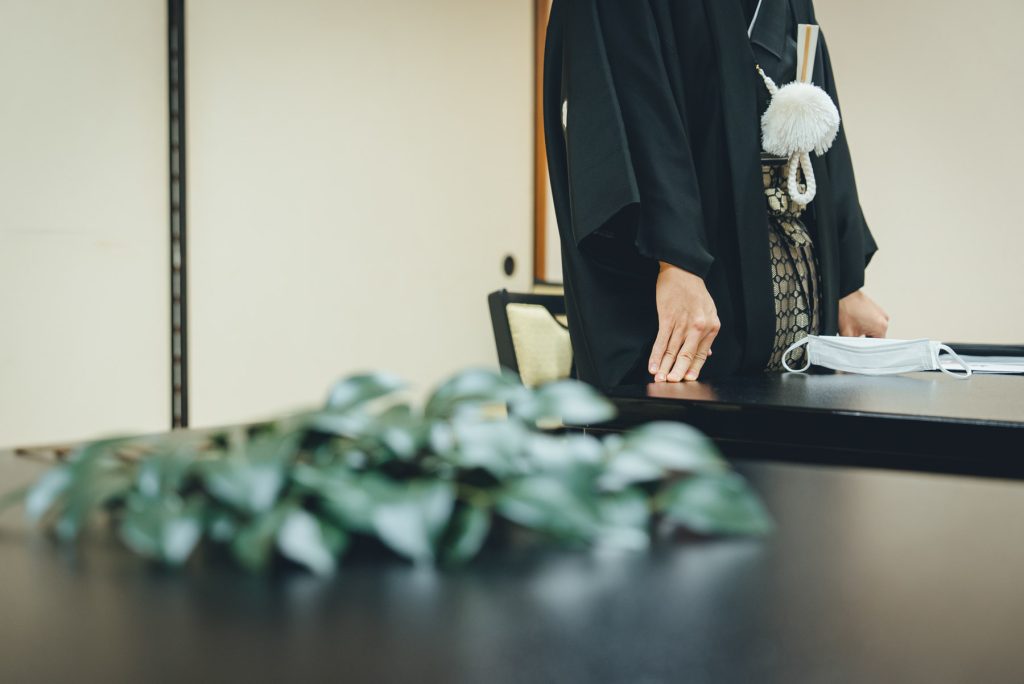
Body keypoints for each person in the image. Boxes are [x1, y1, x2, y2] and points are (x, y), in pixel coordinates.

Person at [543, 0, 889, 390]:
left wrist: (845, 281)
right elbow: (633, 105)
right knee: (692, 410)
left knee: (793, 421)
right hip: (688, 276)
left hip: (796, 281)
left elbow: (819, 124)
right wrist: (675, 259)